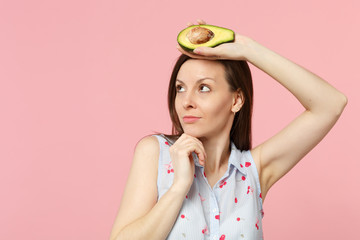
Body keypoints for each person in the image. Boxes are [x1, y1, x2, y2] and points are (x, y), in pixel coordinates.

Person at [109, 19, 347, 240]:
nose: (186, 101)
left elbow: (330, 104)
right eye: (180, 88)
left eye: (204, 88)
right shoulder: (156, 153)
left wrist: (247, 48)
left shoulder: (253, 172)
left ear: (237, 100)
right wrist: (179, 187)